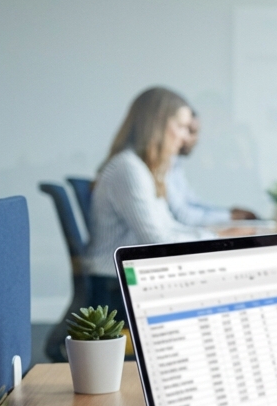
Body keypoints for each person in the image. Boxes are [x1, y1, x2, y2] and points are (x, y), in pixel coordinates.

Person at [84, 88, 249, 315]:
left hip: (130, 279)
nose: (184, 137)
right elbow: (157, 242)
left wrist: (217, 237)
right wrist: (218, 239)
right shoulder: (129, 169)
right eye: (181, 127)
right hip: (116, 286)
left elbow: (169, 227)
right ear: (157, 125)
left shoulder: (144, 169)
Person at [165, 110, 257, 225]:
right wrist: (229, 216)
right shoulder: (167, 164)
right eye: (191, 131)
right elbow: (182, 215)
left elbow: (192, 202)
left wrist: (229, 213)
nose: (195, 139)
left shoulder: (176, 163)